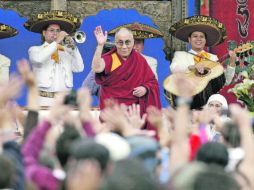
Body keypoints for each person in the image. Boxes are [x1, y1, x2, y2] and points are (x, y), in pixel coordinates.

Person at [92, 25, 161, 134]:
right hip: (113, 114)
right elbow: (97, 67)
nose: (124, 46)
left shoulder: (140, 60)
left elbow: (152, 82)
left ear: (133, 43)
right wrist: (100, 45)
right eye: (120, 42)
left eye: (127, 42)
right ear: (115, 43)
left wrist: (145, 88)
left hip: (133, 114)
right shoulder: (111, 58)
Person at [166, 15, 236, 109]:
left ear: (205, 40)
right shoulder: (181, 55)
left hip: (208, 106)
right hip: (188, 102)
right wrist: (193, 67)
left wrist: (232, 62)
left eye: (202, 37)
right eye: (195, 36)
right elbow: (174, 68)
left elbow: (226, 81)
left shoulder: (213, 58)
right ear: (189, 39)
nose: (198, 39)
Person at [83, 22, 162, 97]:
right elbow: (86, 88)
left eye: (138, 42)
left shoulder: (150, 61)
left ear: (143, 45)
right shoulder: (113, 59)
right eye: (130, 42)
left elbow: (152, 86)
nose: (134, 46)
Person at [24, 10, 84, 106]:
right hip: (43, 100)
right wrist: (56, 42)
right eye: (52, 30)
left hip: (66, 100)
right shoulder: (35, 50)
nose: (55, 34)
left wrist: (74, 49)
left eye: (58, 31)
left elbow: (79, 68)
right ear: (44, 33)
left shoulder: (66, 51)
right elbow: (39, 59)